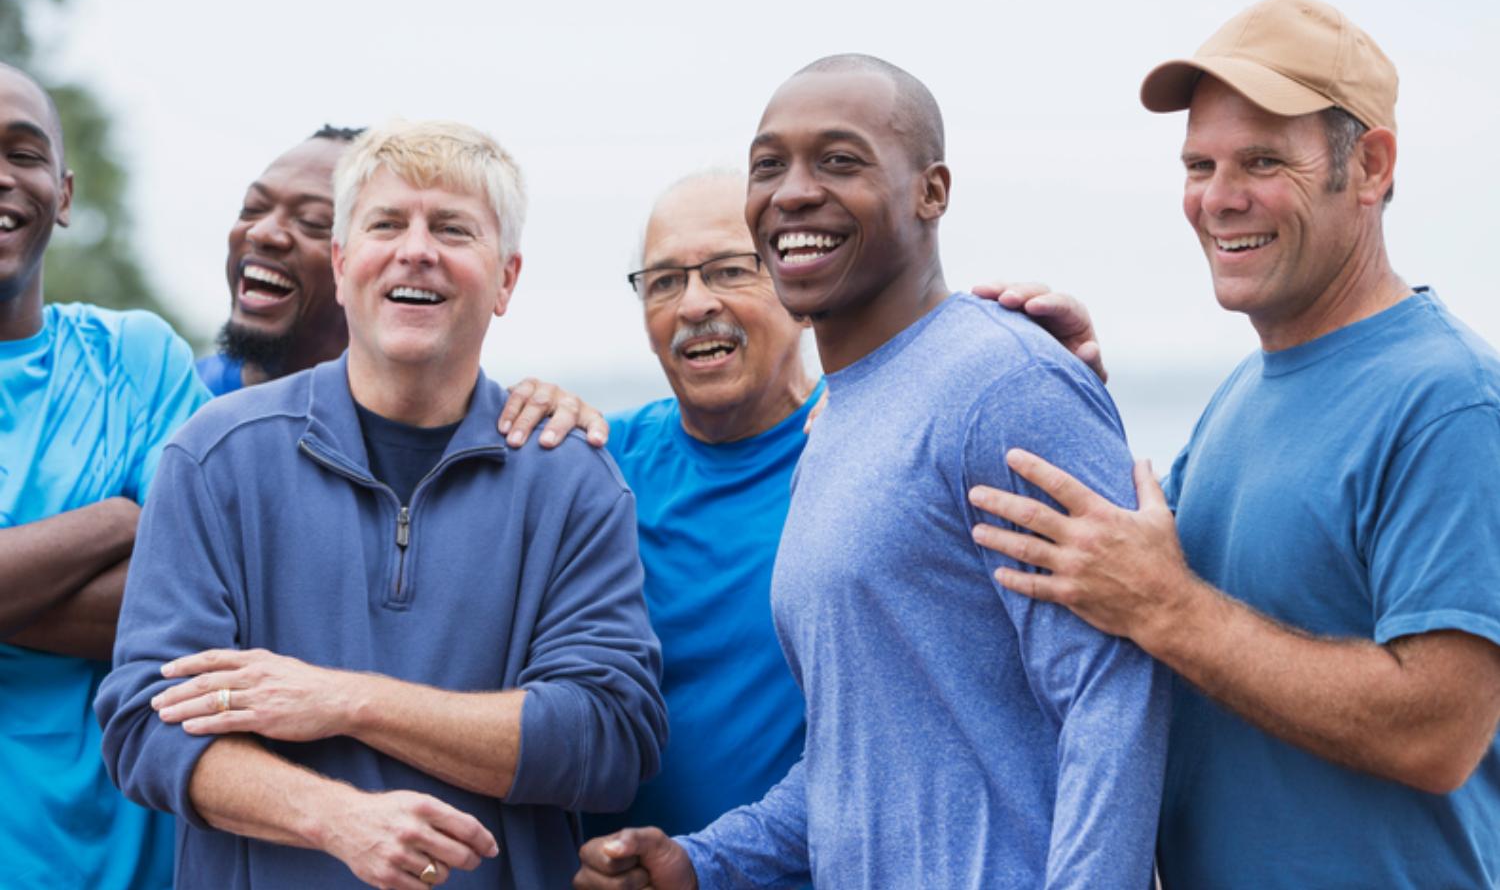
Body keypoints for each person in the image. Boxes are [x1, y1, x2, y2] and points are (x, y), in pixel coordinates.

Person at [577, 55, 1168, 889]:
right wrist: (705, 864)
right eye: (768, 165)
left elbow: (1114, 700)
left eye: (839, 160)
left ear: (932, 191)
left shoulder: (1004, 380)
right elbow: (858, 762)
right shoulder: (835, 425)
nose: (793, 192)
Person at [968, 0, 1500, 887]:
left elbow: (1438, 731)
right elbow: (1128, 571)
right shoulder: (1241, 397)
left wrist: (1168, 609)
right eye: (1199, 165)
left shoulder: (1449, 400)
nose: (1219, 198)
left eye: (1262, 161)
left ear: (1370, 166)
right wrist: (1062, 396)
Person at [96, 119, 667, 889]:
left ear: (506, 279)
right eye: (387, 224)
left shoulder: (572, 482)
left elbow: (608, 740)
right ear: (341, 263)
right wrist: (335, 818)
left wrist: (346, 701)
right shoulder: (214, 458)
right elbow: (149, 724)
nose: (416, 250)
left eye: (453, 229)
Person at [0, 60, 207, 888]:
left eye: (23, 153)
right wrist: (118, 520)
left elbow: (203, 598)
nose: (1, 176)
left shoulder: (138, 358)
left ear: (64, 193)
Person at [587, 171, 821, 839]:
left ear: (801, 293)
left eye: (728, 271)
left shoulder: (863, 450)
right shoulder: (596, 465)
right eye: (664, 281)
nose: (694, 304)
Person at [196, 125, 361, 395]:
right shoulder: (172, 398)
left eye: (312, 220)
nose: (260, 232)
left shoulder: (417, 415)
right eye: (252, 208)